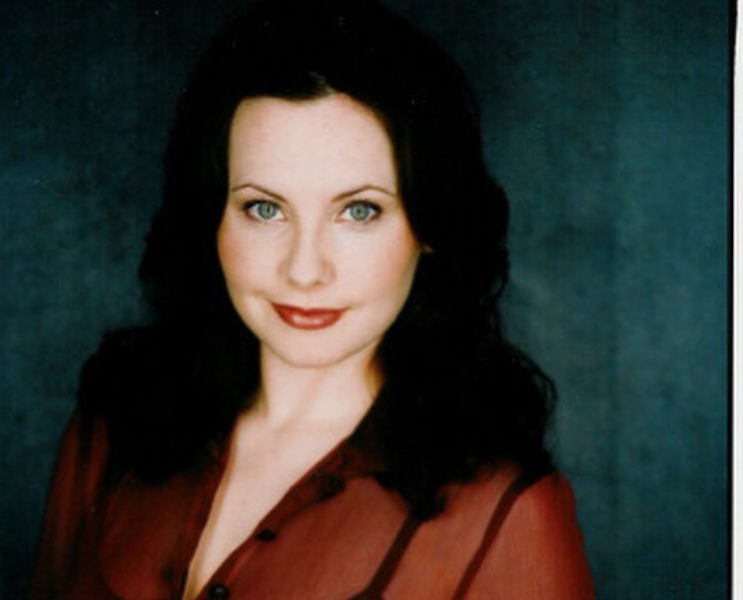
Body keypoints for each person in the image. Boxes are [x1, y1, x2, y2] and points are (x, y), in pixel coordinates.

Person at [30, 0, 595, 598]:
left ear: (431, 226)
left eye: (359, 211)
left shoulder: (511, 512)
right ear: (212, 217)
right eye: (263, 208)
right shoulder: (112, 430)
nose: (304, 270)